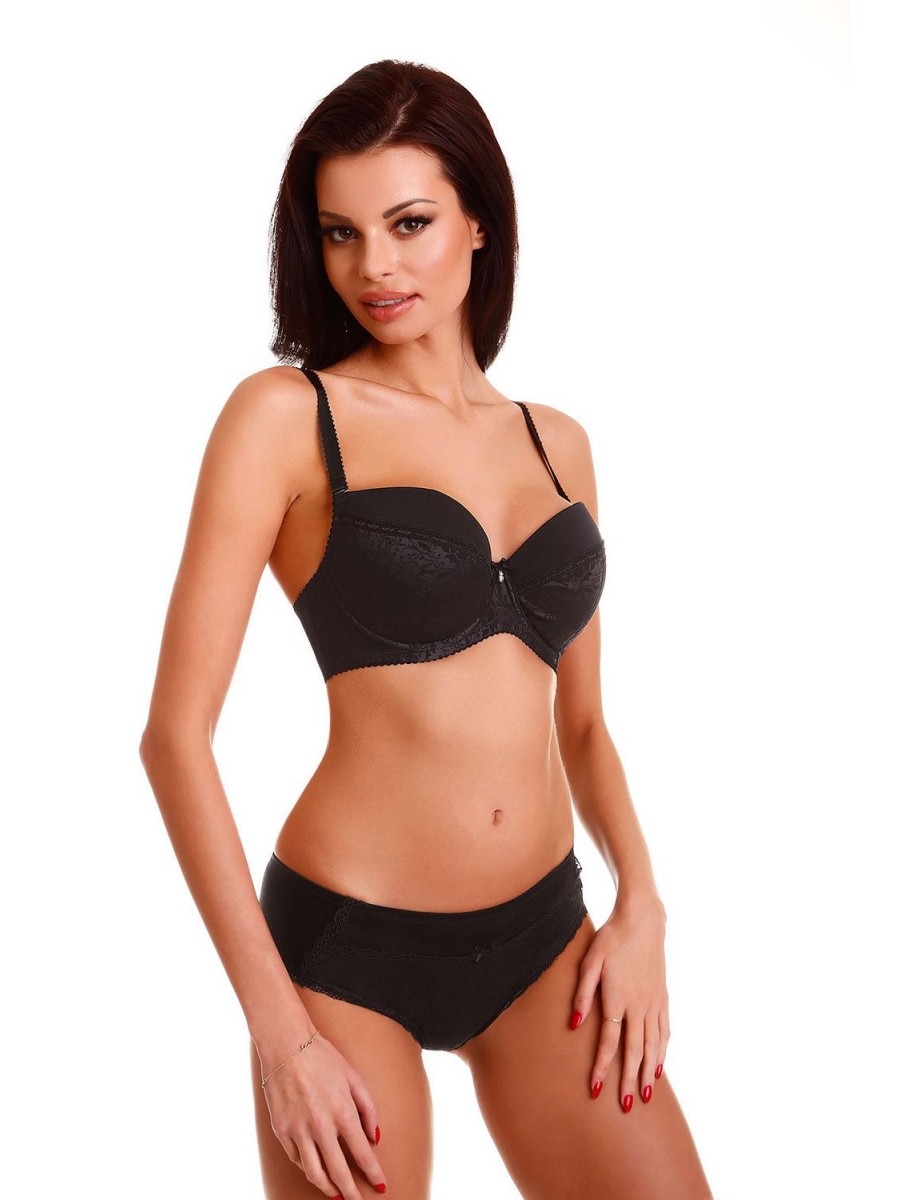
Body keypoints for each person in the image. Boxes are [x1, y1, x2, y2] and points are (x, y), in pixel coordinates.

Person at [139, 58, 713, 1200]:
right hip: (345, 955)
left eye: (409, 223)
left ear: (480, 222)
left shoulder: (557, 442)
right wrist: (281, 1034)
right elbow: (174, 739)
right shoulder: (287, 417)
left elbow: (583, 727)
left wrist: (641, 902)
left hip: (547, 942)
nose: (375, 267)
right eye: (340, 234)